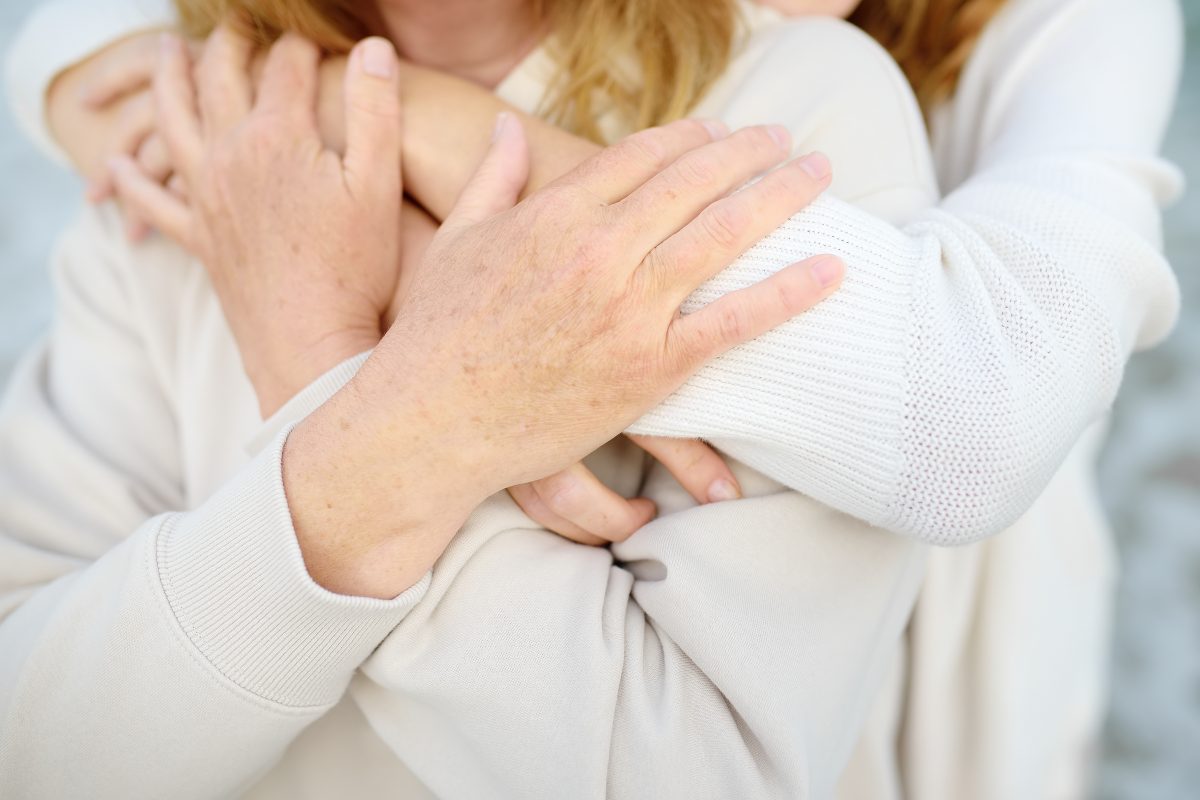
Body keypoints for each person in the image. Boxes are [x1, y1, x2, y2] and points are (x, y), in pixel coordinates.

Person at [1, 0, 1183, 797]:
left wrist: (353, 363)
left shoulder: (826, 98)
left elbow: (969, 414)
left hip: (951, 533)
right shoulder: (225, 147)